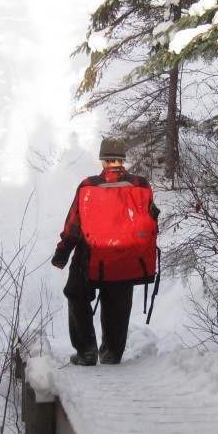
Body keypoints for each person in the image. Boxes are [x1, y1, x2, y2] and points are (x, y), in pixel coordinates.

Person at [51, 137, 159, 366]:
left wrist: (63, 252)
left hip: (90, 256)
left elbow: (73, 225)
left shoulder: (88, 186)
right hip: (127, 257)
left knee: (76, 295)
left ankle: (86, 352)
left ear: (102, 160)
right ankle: (111, 354)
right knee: (118, 303)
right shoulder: (141, 185)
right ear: (122, 159)